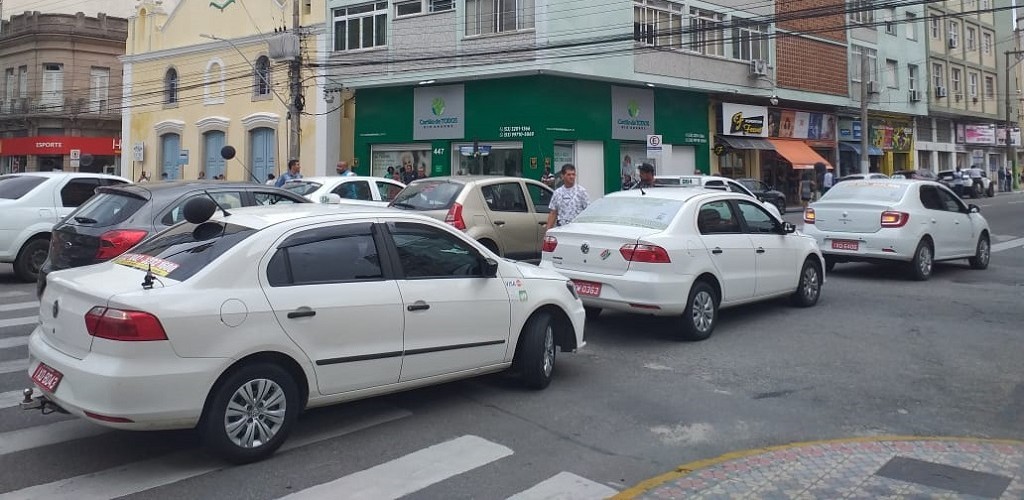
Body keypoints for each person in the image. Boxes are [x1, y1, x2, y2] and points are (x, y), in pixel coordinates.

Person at [546, 164, 589, 230]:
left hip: (577, 229)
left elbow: (587, 212)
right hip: (562, 229)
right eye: (568, 175)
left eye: (573, 174)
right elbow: (553, 213)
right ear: (562, 176)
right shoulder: (557, 193)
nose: (571, 177)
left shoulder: (581, 191)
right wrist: (548, 231)